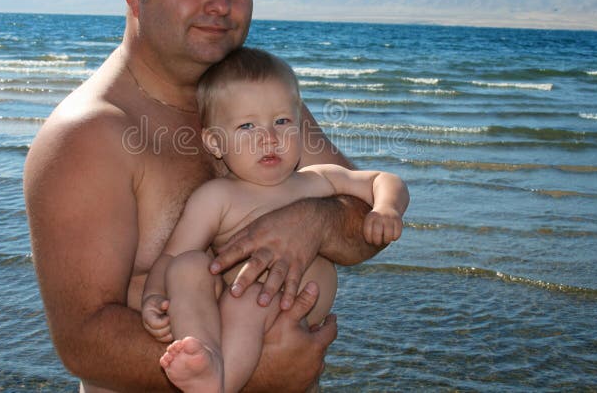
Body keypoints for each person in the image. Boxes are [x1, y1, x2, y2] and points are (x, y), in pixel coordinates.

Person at [24, 0, 405, 392]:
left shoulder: (258, 104)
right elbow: (83, 340)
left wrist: (310, 221)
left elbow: (365, 225)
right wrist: (260, 377)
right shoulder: (90, 136)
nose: (219, 4)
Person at [141, 47, 408, 393]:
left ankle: (217, 385)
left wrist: (386, 208)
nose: (269, 137)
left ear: (300, 124)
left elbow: (381, 180)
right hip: (237, 296)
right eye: (247, 125)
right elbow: (172, 257)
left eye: (282, 121)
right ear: (215, 142)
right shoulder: (216, 197)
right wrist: (153, 297)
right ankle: (203, 352)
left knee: (249, 300)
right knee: (187, 266)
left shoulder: (315, 180)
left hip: (295, 298)